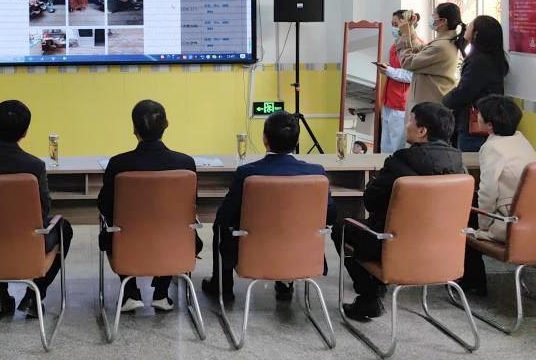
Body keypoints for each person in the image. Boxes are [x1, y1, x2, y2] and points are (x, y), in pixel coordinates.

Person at [331, 102, 463, 322]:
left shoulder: (400, 162)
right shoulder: (459, 166)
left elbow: (371, 201)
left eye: (410, 120)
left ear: (422, 131)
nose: (406, 125)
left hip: (396, 246)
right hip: (443, 250)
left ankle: (369, 297)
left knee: (342, 229)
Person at [0, 100, 74, 319]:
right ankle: (33, 297)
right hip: (23, 245)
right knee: (63, 228)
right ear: (25, 132)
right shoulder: (33, 166)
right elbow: (42, 211)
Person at [201, 112, 337, 304]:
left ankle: (223, 287)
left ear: (265, 139)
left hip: (255, 255)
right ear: (297, 140)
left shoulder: (247, 173)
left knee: (220, 225)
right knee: (292, 225)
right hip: (300, 254)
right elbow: (330, 216)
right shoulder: (316, 173)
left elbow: (225, 217)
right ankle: (286, 282)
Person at [97, 100, 200, 312]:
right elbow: (190, 206)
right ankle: (161, 293)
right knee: (170, 226)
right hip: (175, 244)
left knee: (118, 228)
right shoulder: (185, 164)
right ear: (166, 124)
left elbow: (104, 206)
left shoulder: (118, 164)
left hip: (127, 245)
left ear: (134, 129)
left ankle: (130, 293)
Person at [460, 95, 536, 295]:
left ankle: (472, 281)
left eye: (479, 115)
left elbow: (488, 191)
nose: (476, 116)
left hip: (509, 220)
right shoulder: (521, 140)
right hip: (533, 218)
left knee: (460, 215)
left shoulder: (491, 148)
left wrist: (483, 228)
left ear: (490, 125)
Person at [441, 15, 510, 152]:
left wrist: (444, 101)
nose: (466, 27)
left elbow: (464, 92)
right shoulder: (490, 57)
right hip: (484, 122)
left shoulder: (480, 62)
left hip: (474, 126)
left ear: (476, 34)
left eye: (470, 25)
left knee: (469, 161)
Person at [396, 2, 466, 112]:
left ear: (443, 21)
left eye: (434, 15)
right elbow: (420, 48)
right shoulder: (443, 41)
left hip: (429, 106)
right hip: (429, 102)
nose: (431, 17)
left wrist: (405, 35)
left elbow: (407, 62)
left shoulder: (441, 46)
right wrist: (410, 29)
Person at [377, 9, 422, 153]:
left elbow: (412, 75)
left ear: (406, 24)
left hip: (401, 103)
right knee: (385, 146)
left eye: (396, 24)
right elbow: (396, 68)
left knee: (397, 147)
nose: (393, 28)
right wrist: (386, 68)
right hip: (388, 100)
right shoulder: (395, 45)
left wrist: (389, 71)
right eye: (392, 24)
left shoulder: (417, 46)